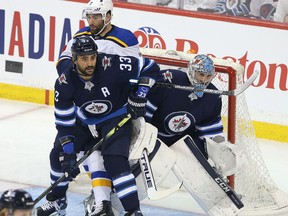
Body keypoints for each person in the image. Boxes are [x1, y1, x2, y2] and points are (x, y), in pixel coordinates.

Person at [35, 35, 159, 216]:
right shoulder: (65, 81)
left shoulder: (112, 64)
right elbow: (64, 123)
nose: (90, 62)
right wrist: (69, 152)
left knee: (115, 160)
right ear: (74, 58)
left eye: (93, 57)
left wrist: (140, 94)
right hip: (84, 121)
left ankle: (133, 211)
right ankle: (57, 201)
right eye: (85, 59)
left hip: (115, 117)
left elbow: (150, 67)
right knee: (58, 155)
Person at [57, 0, 140, 77]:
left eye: (95, 17)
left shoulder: (125, 38)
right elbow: (62, 61)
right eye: (89, 17)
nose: (91, 22)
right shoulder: (81, 35)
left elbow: (133, 72)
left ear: (107, 17)